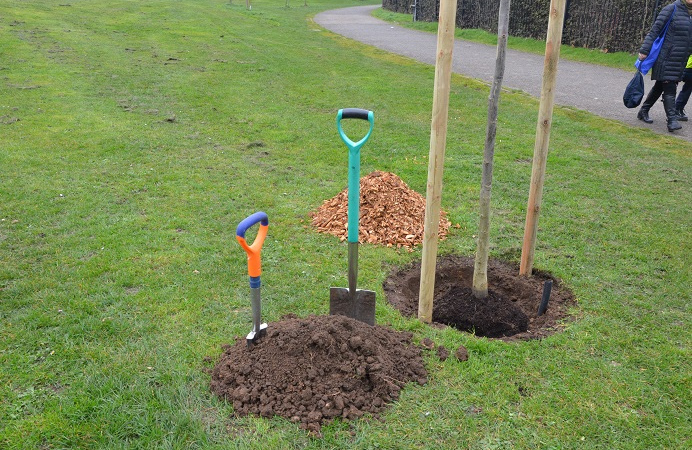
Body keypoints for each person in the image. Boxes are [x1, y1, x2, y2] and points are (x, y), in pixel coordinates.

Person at [636, 0, 692, 132]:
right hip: (666, 56)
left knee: (660, 86)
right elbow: (655, 31)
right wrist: (644, 50)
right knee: (670, 86)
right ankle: (672, 120)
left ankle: (643, 111)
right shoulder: (672, 9)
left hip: (681, 59)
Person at [674, 55, 692, 120]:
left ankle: (678, 109)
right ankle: (677, 109)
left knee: (687, 90)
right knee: (686, 91)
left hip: (688, 67)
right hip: (690, 68)